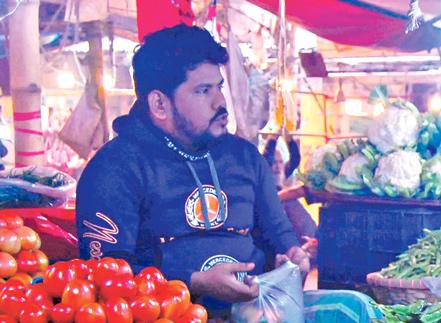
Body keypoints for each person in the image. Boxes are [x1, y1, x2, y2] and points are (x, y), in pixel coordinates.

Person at [76, 25, 309, 305]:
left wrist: (293, 256)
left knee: (350, 304)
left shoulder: (245, 157)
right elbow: (104, 275)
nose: (220, 102)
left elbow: (279, 234)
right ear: (160, 104)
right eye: (202, 91)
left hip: (259, 318)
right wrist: (194, 282)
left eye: (219, 87)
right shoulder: (114, 169)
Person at [262, 132, 317, 245]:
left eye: (280, 162)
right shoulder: (264, 176)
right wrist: (272, 140)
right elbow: (267, 160)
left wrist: (290, 140)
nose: (277, 167)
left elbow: (295, 160)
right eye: (274, 163)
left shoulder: (282, 173)